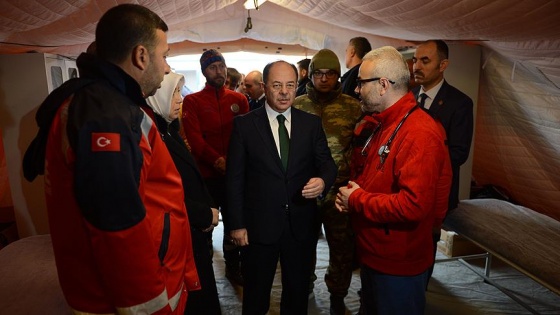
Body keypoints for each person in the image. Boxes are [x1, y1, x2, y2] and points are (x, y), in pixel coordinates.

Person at [22, 4, 199, 314]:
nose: (167, 68)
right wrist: (150, 308)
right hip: (128, 299)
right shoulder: (108, 116)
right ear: (141, 56)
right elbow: (118, 227)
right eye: (165, 55)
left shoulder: (96, 101)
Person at [335, 46, 452, 315]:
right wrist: (352, 197)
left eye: (361, 83)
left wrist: (358, 200)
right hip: (376, 256)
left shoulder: (419, 132)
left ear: (383, 85)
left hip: (398, 265)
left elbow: (414, 205)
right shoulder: (383, 123)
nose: (356, 90)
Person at [225, 60, 337, 315]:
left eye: (290, 85)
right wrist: (236, 225)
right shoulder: (244, 126)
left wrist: (322, 181)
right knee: (255, 295)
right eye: (277, 85)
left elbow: (328, 165)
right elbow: (234, 179)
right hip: (258, 228)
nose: (285, 92)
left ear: (297, 86)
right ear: (265, 87)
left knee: (297, 295)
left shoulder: (311, 124)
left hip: (301, 225)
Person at [293, 49, 362, 315]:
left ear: (337, 76)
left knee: (342, 247)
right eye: (319, 73)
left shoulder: (353, 107)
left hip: (339, 192)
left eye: (330, 73)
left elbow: (359, 150)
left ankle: (337, 295)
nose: (324, 79)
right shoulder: (297, 105)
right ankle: (304, 287)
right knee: (303, 244)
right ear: (310, 76)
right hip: (305, 191)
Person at [147, 72, 221, 315]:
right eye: (175, 92)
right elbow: (162, 193)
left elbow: (192, 179)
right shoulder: (155, 136)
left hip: (194, 229)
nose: (180, 99)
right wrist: (203, 214)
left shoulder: (169, 130)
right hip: (182, 231)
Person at [182, 49, 249, 287]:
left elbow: (246, 136)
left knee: (234, 223)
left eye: (221, 66)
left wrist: (233, 163)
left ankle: (233, 267)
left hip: (233, 176)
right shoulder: (193, 101)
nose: (219, 71)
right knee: (206, 224)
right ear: (204, 71)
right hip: (206, 177)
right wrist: (218, 161)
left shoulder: (238, 100)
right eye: (213, 67)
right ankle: (204, 269)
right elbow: (195, 139)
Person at [412, 39, 474, 284]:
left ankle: (419, 295)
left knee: (425, 251)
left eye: (425, 61)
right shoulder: (408, 95)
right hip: (404, 191)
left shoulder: (459, 103)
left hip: (433, 193)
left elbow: (458, 153)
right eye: (415, 60)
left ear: (443, 65)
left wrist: (417, 163)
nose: (417, 66)